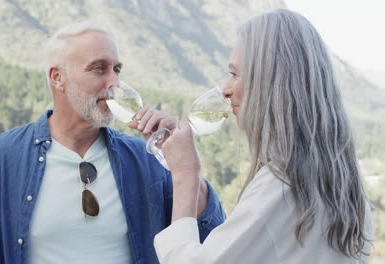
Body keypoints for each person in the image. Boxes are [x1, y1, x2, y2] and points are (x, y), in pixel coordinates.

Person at [0, 20, 225, 264]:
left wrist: (184, 169)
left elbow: (214, 239)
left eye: (117, 69)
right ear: (58, 78)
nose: (114, 81)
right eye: (99, 68)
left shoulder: (147, 158)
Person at [154, 9, 374, 264]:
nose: (226, 90)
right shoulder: (344, 180)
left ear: (268, 81)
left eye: (235, 74)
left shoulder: (281, 185)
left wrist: (184, 174)